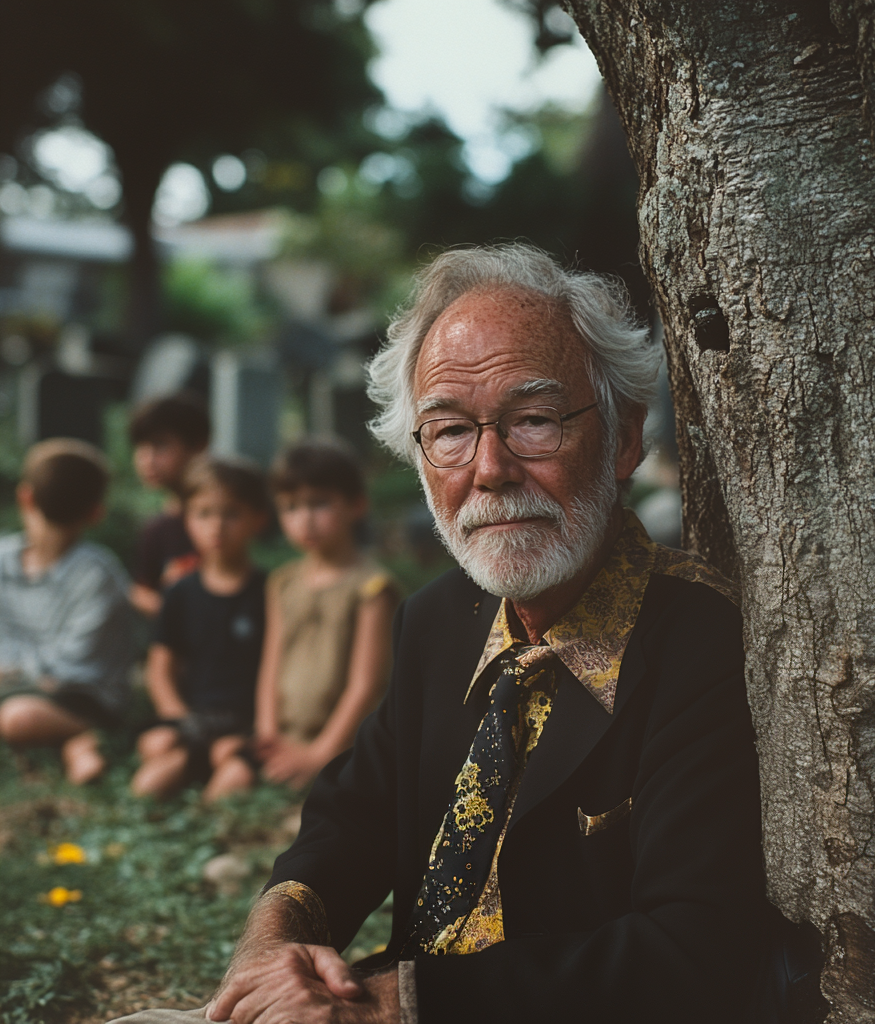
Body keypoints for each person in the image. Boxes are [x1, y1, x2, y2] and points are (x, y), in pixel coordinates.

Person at [110, 244, 773, 1024]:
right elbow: (350, 817)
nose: (489, 469)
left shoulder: (699, 643)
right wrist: (273, 935)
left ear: (625, 438)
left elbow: (695, 951)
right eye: (450, 431)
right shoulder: (437, 618)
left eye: (533, 420)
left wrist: (395, 1007)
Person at [254, 440, 398, 791]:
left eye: (319, 504)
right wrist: (267, 733)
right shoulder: (282, 582)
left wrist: (320, 754)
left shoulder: (372, 587)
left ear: (356, 505)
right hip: (286, 738)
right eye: (290, 507)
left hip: (345, 744)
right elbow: (271, 663)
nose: (305, 520)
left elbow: (365, 685)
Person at [130, 456, 269, 803]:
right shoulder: (179, 592)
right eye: (204, 513)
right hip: (192, 717)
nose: (216, 526)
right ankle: (191, 763)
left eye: (231, 513)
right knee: (153, 758)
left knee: (228, 764)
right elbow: (159, 669)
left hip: (243, 721)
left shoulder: (270, 591)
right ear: (186, 520)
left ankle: (210, 799)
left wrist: (256, 729)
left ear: (257, 519)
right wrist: (181, 719)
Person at [0, 438, 135, 784]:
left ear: (25, 496)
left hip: (81, 695)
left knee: (18, 718)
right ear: (96, 512)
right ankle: (75, 744)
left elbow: (73, 668)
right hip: (15, 682)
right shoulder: (3, 560)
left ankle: (85, 731)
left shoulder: (97, 575)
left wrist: (13, 671)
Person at [129, 393, 210, 617]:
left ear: (198, 445)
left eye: (160, 445)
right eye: (141, 447)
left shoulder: (225, 514)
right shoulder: (157, 528)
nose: (147, 459)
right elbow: (142, 589)